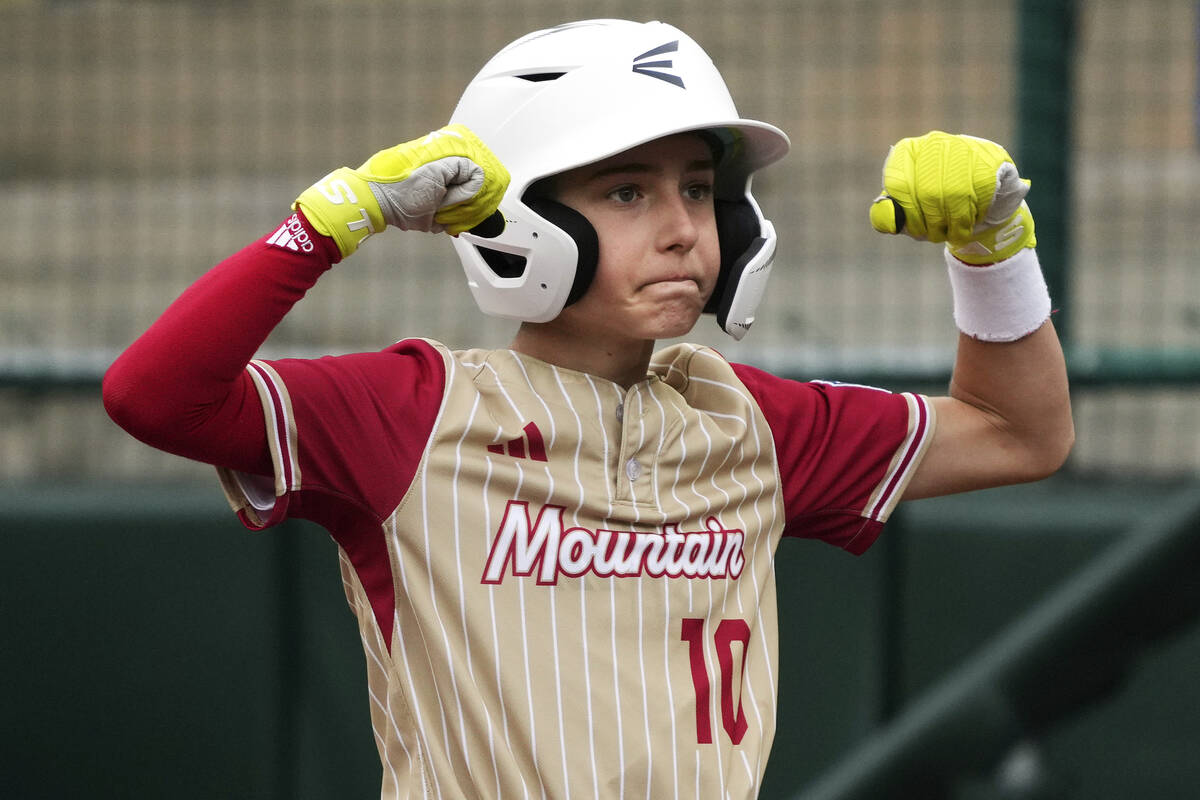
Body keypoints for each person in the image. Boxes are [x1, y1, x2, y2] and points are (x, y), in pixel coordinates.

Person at [103, 18, 1073, 800]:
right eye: (626, 191)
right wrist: (328, 222)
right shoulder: (411, 412)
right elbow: (154, 396)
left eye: (699, 188)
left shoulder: (745, 420)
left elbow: (1019, 434)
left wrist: (993, 250)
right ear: (524, 216)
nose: (685, 228)